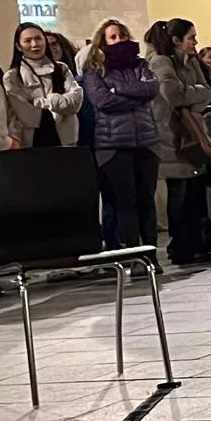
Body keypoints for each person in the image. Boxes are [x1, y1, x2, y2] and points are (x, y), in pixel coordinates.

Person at [84, 20, 161, 250]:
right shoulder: (94, 68)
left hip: (145, 142)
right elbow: (102, 100)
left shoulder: (140, 65)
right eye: (113, 37)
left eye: (122, 35)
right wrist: (135, 97)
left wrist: (119, 90)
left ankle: (151, 253)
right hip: (114, 145)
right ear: (103, 40)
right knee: (125, 202)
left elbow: (151, 89)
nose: (119, 40)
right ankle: (134, 253)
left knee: (147, 200)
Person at [146, 18, 211, 264]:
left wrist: (193, 93)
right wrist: (193, 93)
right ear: (176, 40)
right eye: (191, 38)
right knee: (179, 194)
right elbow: (172, 95)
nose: (195, 42)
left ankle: (200, 242)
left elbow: (207, 92)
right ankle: (181, 245)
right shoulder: (160, 62)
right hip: (172, 136)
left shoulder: (192, 61)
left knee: (196, 192)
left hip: (193, 133)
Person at [5, 22, 83, 147]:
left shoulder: (61, 69)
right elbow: (25, 114)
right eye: (28, 41)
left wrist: (45, 101)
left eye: (38, 38)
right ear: (18, 46)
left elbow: (76, 100)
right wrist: (60, 103)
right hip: (31, 141)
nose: (34, 44)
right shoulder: (12, 77)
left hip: (65, 139)